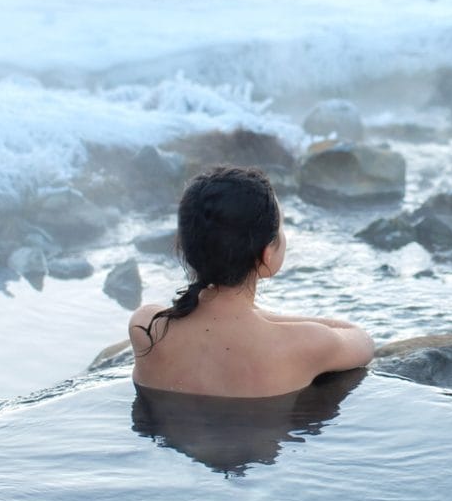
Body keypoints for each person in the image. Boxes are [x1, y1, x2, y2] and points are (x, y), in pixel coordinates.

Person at [129, 166, 374, 397]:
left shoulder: (147, 327)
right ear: (266, 255)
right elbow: (361, 340)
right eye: (281, 228)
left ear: (185, 245)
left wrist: (258, 317)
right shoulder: (306, 343)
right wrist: (266, 319)